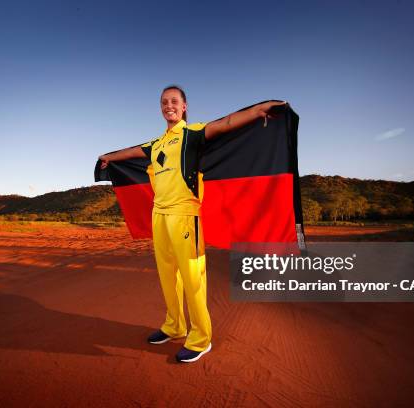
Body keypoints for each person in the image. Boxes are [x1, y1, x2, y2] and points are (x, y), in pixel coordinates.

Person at [98, 85, 285, 363]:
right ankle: (174, 325)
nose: (168, 105)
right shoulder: (157, 144)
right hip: (159, 216)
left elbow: (225, 124)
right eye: (164, 102)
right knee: (168, 276)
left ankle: (201, 338)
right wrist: (108, 158)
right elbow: (133, 152)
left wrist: (257, 110)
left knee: (193, 280)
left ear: (184, 106)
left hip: (186, 216)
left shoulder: (193, 133)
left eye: (174, 101)